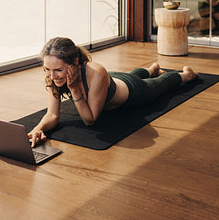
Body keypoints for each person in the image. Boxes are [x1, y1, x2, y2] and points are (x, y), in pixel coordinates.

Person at [28, 37, 199, 147]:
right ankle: (151, 68)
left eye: (57, 70)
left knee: (160, 84)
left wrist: (73, 88)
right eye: (47, 69)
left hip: (132, 91)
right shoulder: (53, 75)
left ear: (75, 62)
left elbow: (90, 120)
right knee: (134, 75)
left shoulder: (96, 72)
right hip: (111, 82)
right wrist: (39, 128)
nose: (52, 75)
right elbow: (52, 114)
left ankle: (186, 75)